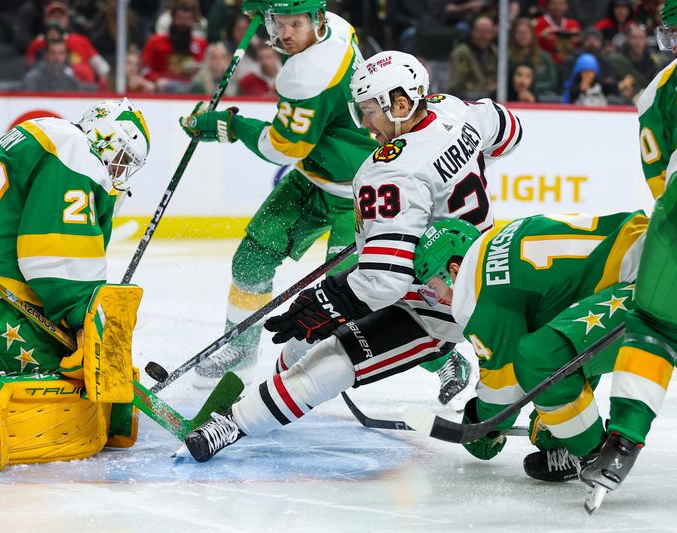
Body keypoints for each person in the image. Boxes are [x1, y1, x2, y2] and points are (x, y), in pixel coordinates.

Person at [182, 50, 523, 463]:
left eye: (369, 112)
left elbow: (383, 282)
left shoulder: (391, 170)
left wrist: (331, 299)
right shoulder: (454, 110)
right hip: (486, 273)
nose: (365, 125)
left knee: (334, 354)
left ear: (401, 104)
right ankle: (263, 397)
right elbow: (510, 130)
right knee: (308, 336)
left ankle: (235, 423)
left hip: (436, 303)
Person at [0, 98, 151, 471]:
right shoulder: (76, 153)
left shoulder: (51, 135)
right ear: (105, 136)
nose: (120, 169)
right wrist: (82, 319)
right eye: (123, 156)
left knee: (68, 366)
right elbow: (53, 255)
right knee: (65, 386)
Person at [179, 0, 379, 388]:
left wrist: (229, 126)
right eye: (278, 23)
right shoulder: (338, 25)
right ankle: (240, 350)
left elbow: (284, 148)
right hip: (314, 178)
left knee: (359, 293)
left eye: (296, 24)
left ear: (317, 20)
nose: (285, 34)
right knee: (251, 259)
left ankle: (440, 360)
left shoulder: (308, 74)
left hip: (360, 191)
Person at [411, 212, 647, 485]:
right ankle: (564, 435)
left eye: (434, 288)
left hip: (644, 287)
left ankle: (594, 454)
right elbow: (568, 321)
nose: (439, 298)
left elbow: (503, 392)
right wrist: (552, 423)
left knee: (538, 358)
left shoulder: (478, 291)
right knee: (554, 349)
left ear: (453, 269)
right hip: (660, 249)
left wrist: (480, 426)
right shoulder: (503, 235)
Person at [579, 0, 677, 510]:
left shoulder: (661, 85)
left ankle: (621, 445)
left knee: (656, 326)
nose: (671, 46)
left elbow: (661, 182)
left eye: (675, 35)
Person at [25, 2, 110, 89]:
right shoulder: (36, 44)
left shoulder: (80, 41)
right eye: (53, 15)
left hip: (84, 93)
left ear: (67, 19)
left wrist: (102, 87)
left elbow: (103, 69)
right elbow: (32, 74)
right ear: (45, 19)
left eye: (60, 16)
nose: (57, 19)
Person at [142, 0, 207, 92]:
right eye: (180, 18)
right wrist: (157, 79)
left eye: (187, 19)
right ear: (173, 18)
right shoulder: (155, 42)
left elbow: (206, 70)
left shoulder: (201, 45)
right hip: (163, 88)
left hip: (191, 89)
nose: (183, 23)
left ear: (192, 21)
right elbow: (145, 69)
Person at [448, 15, 499, 100]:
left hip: (491, 100)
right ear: (472, 31)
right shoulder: (461, 53)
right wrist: (487, 90)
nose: (483, 35)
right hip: (466, 101)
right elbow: (457, 86)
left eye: (487, 32)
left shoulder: (495, 52)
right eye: (479, 31)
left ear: (493, 33)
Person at [508, 17, 558, 100]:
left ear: (532, 34)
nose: (522, 35)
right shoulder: (507, 58)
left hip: (540, 98)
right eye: (519, 32)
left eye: (526, 32)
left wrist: (533, 89)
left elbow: (552, 82)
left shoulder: (544, 57)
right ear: (514, 35)